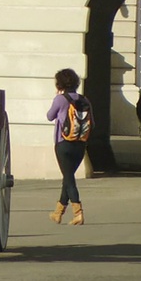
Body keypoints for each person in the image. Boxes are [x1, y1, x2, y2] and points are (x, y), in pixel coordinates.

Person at [46, 68, 93, 226]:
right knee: (68, 177)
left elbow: (49, 116)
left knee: (69, 178)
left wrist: (58, 99)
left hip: (63, 143)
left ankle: (78, 213)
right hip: (80, 144)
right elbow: (93, 122)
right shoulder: (84, 100)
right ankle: (58, 213)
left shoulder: (60, 99)